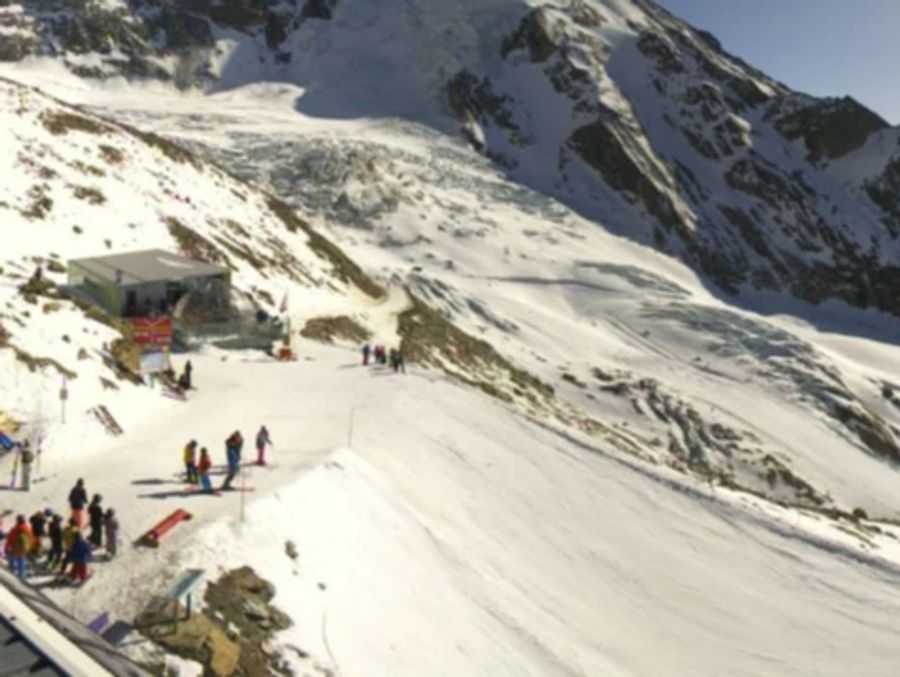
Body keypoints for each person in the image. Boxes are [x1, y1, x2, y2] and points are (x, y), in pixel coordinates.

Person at [5, 515, 32, 580]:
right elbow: (30, 539)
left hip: (13, 550)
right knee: (21, 564)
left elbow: (10, 540)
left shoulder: (14, 530)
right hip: (22, 550)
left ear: (17, 521)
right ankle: (21, 577)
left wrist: (7, 548)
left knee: (12, 562)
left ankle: (12, 574)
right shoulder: (27, 529)